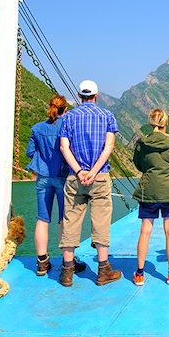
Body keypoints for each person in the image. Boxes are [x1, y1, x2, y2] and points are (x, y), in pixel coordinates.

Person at [57, 79, 121, 287]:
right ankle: (103, 270)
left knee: (70, 220)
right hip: (99, 176)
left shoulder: (68, 118)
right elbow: (108, 147)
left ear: (79, 96)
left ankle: (67, 272)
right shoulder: (107, 116)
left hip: (75, 177)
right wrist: (93, 172)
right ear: (97, 95)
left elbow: (64, 148)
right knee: (101, 221)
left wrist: (79, 171)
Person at [25, 95, 86, 276]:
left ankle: (42, 262)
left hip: (43, 177)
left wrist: (41, 161)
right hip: (63, 177)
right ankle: (69, 260)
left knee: (42, 219)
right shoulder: (66, 127)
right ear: (65, 110)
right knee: (64, 219)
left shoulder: (37, 129)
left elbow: (30, 152)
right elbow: (72, 150)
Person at [132, 108, 169, 286]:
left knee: (145, 230)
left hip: (148, 190)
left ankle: (139, 274)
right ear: (166, 123)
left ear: (151, 122)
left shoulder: (142, 143)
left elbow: (139, 165)